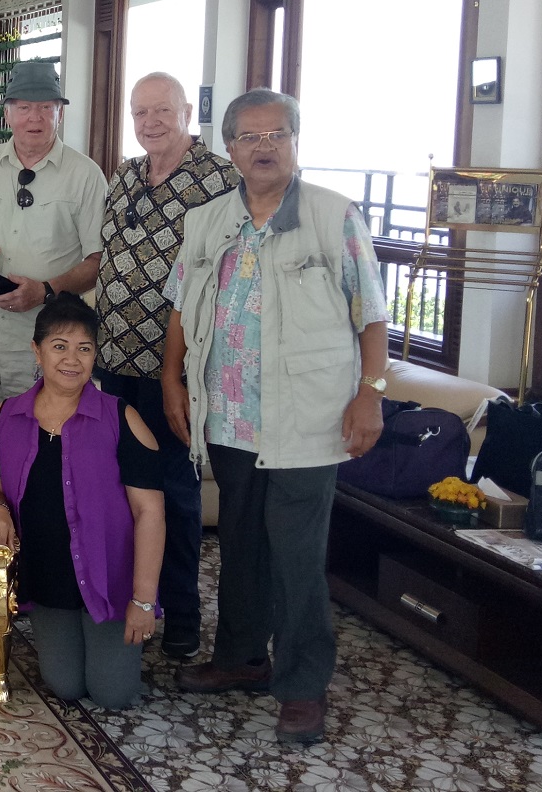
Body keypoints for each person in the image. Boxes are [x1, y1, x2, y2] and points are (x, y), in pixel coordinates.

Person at [161, 88, 388, 745]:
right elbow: (180, 308)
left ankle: (301, 685)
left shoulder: (332, 216)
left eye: (278, 136)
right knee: (240, 546)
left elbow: (370, 313)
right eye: (250, 138)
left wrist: (370, 390)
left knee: (294, 556)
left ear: (295, 142)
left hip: (307, 420)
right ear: (229, 148)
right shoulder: (207, 221)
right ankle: (240, 658)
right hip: (229, 418)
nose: (265, 148)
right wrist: (172, 380)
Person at [92, 72, 241, 661]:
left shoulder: (218, 181)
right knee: (123, 485)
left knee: (174, 492)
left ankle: (181, 613)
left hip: (174, 371)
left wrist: (178, 375)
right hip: (112, 362)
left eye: (162, 111)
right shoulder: (126, 174)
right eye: (140, 112)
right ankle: (129, 598)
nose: (150, 122)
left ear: (186, 113)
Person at [0, 294, 166, 711]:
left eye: (85, 348)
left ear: (96, 355)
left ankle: (116, 641)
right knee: (65, 687)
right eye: (59, 346)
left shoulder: (121, 416)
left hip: (111, 581)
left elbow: (150, 511)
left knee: (112, 693)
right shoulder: (6, 415)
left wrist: (144, 599)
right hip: (48, 579)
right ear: (37, 351)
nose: (72, 359)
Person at [0, 60, 109, 419]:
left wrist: (46, 290)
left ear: (60, 114)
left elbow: (99, 261)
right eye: (23, 108)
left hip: (49, 347)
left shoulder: (85, 176)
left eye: (45, 108)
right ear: (7, 114)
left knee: (42, 448)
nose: (34, 118)